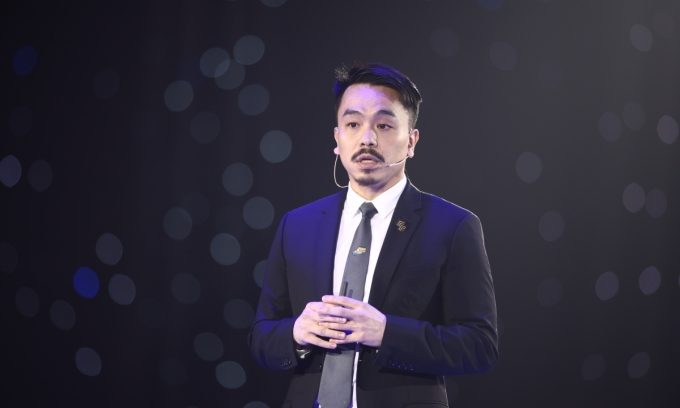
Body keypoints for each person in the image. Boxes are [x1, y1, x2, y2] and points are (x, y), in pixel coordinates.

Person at [248, 63, 498, 408]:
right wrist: (296, 333)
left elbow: (480, 346)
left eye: (383, 125)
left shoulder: (453, 226)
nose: (367, 139)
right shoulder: (298, 224)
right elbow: (261, 336)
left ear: (411, 141)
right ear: (337, 139)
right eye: (353, 124)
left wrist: (386, 333)